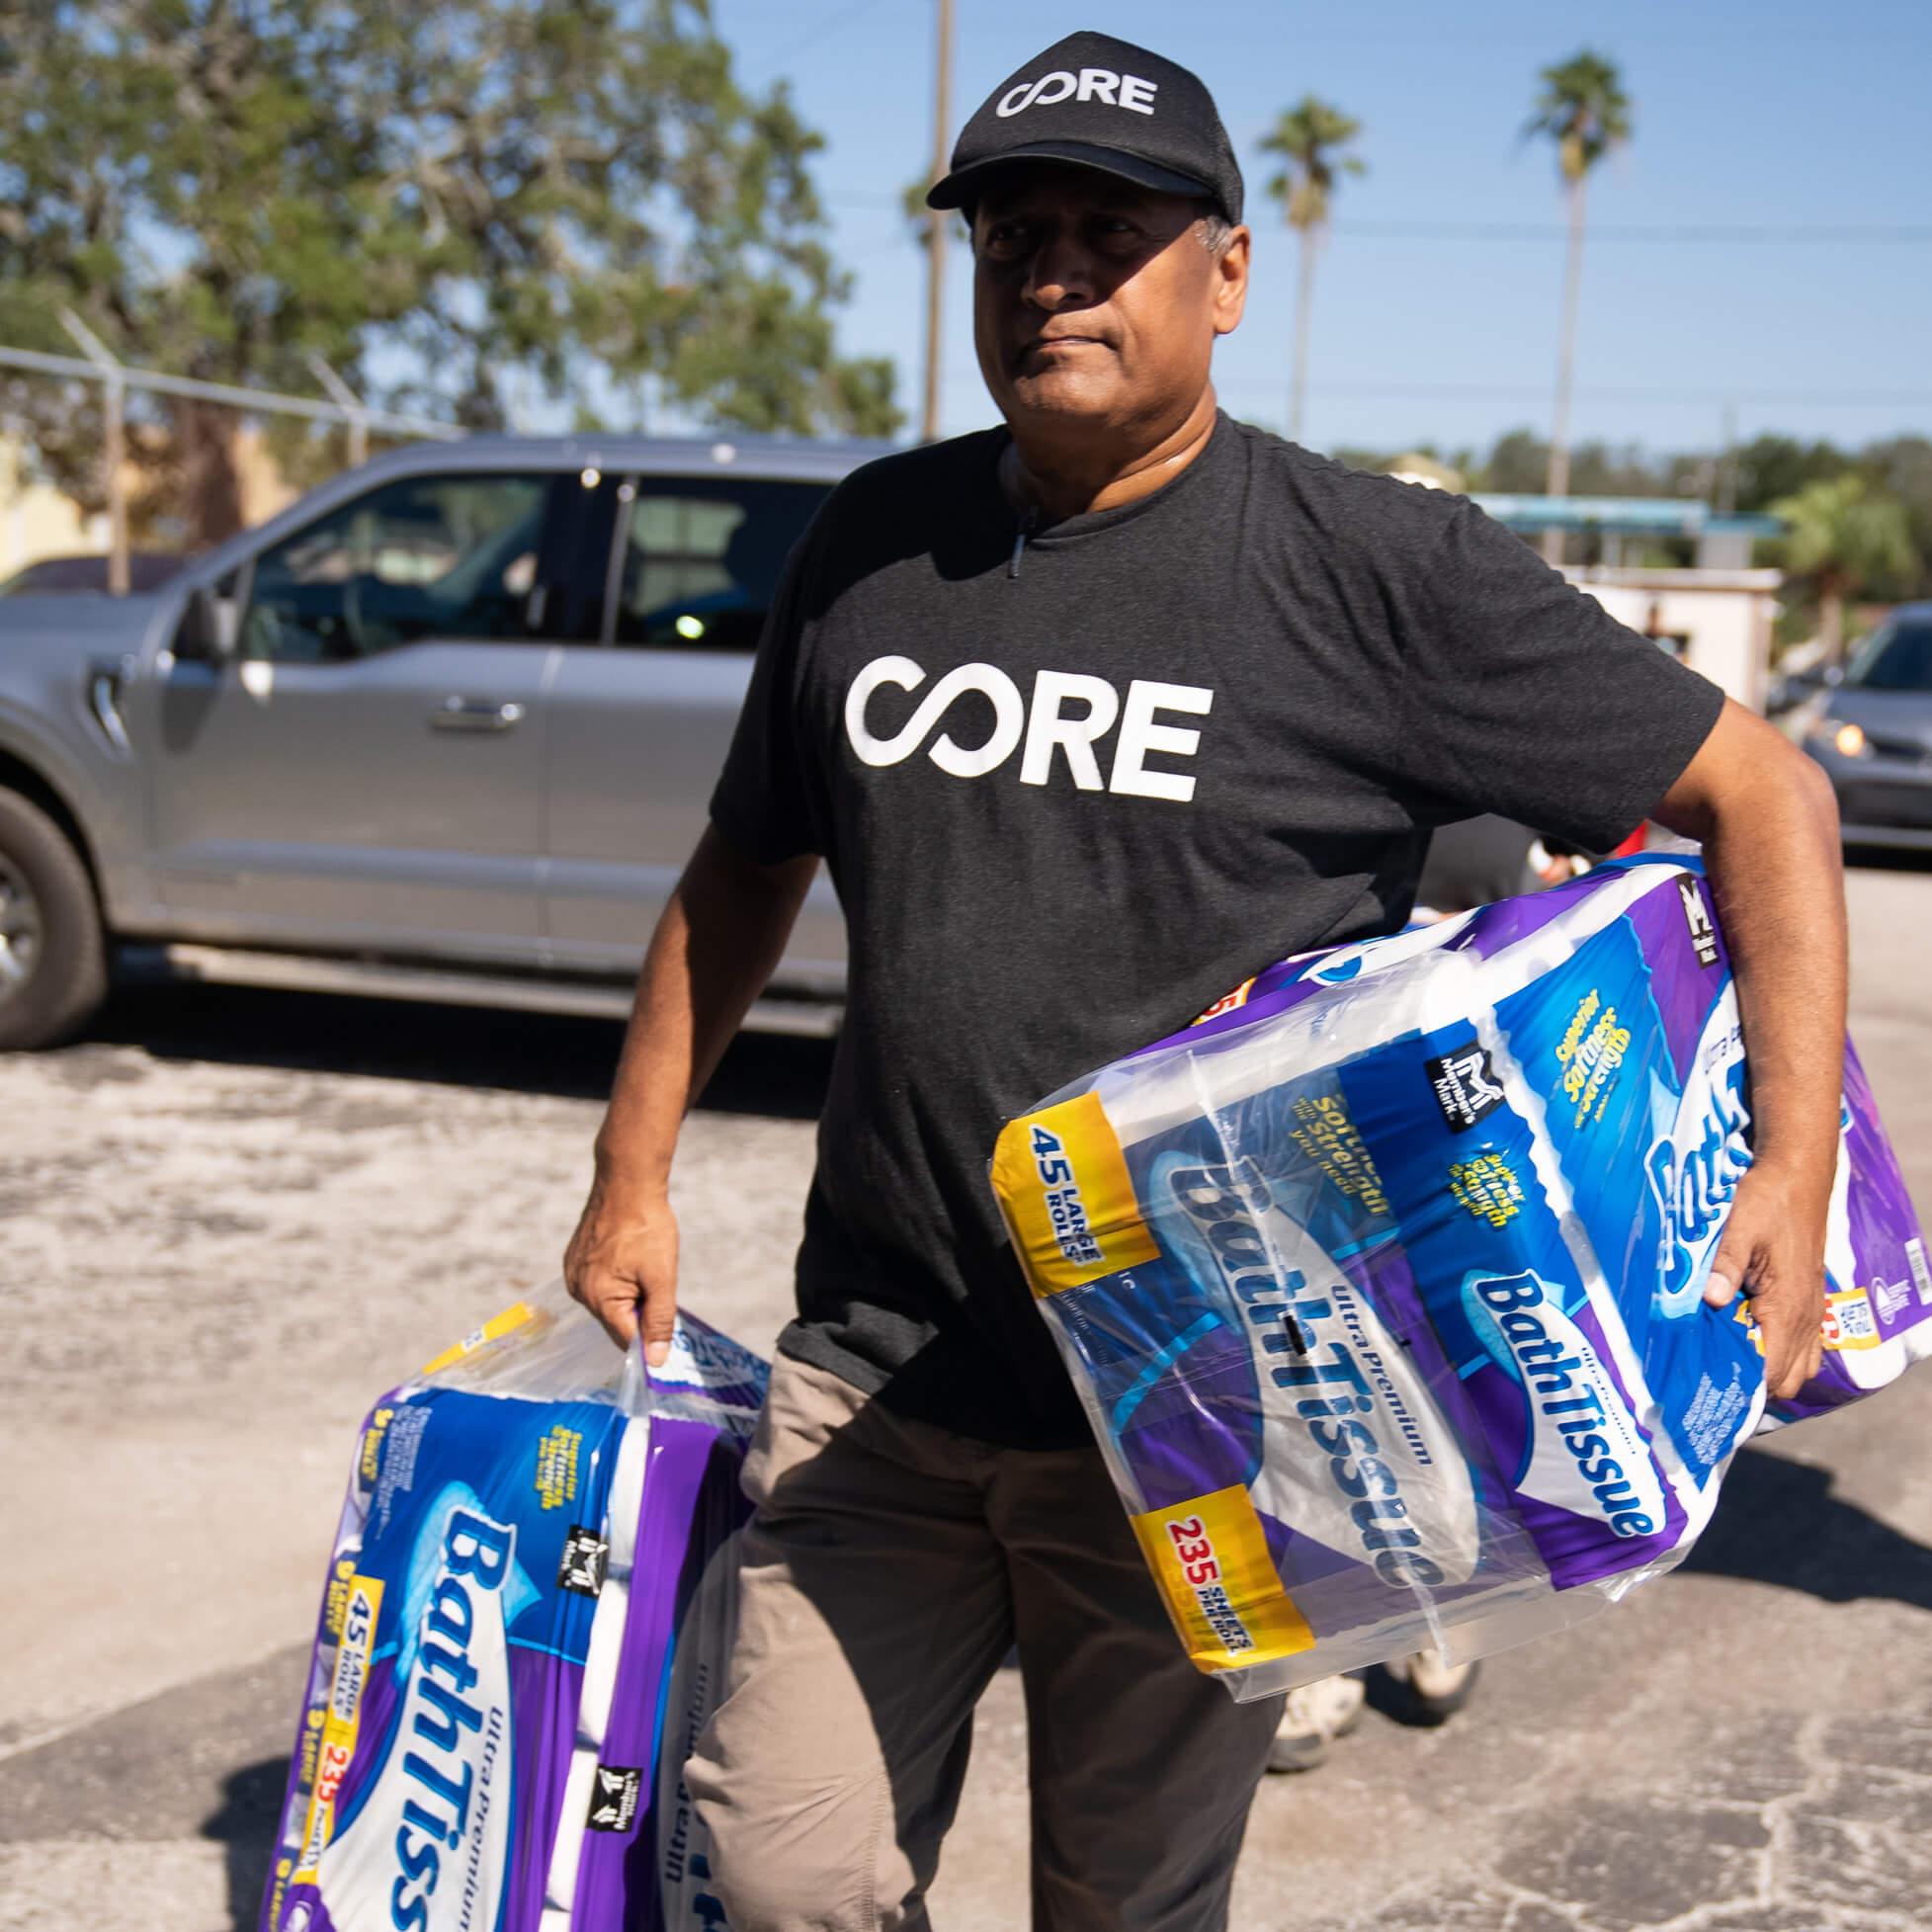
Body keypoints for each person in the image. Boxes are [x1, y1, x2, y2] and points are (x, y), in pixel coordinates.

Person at [564, 31, 1845, 1932]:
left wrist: (1789, 1177)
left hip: (1200, 1428)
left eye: (1106, 229)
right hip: (880, 1374)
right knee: (771, 1869)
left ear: (1226, 274)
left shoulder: (1371, 568)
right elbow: (746, 862)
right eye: (1011, 235)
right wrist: (633, 1167)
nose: (1052, 271)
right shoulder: (870, 546)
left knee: (1128, 1910)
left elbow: (1766, 792)